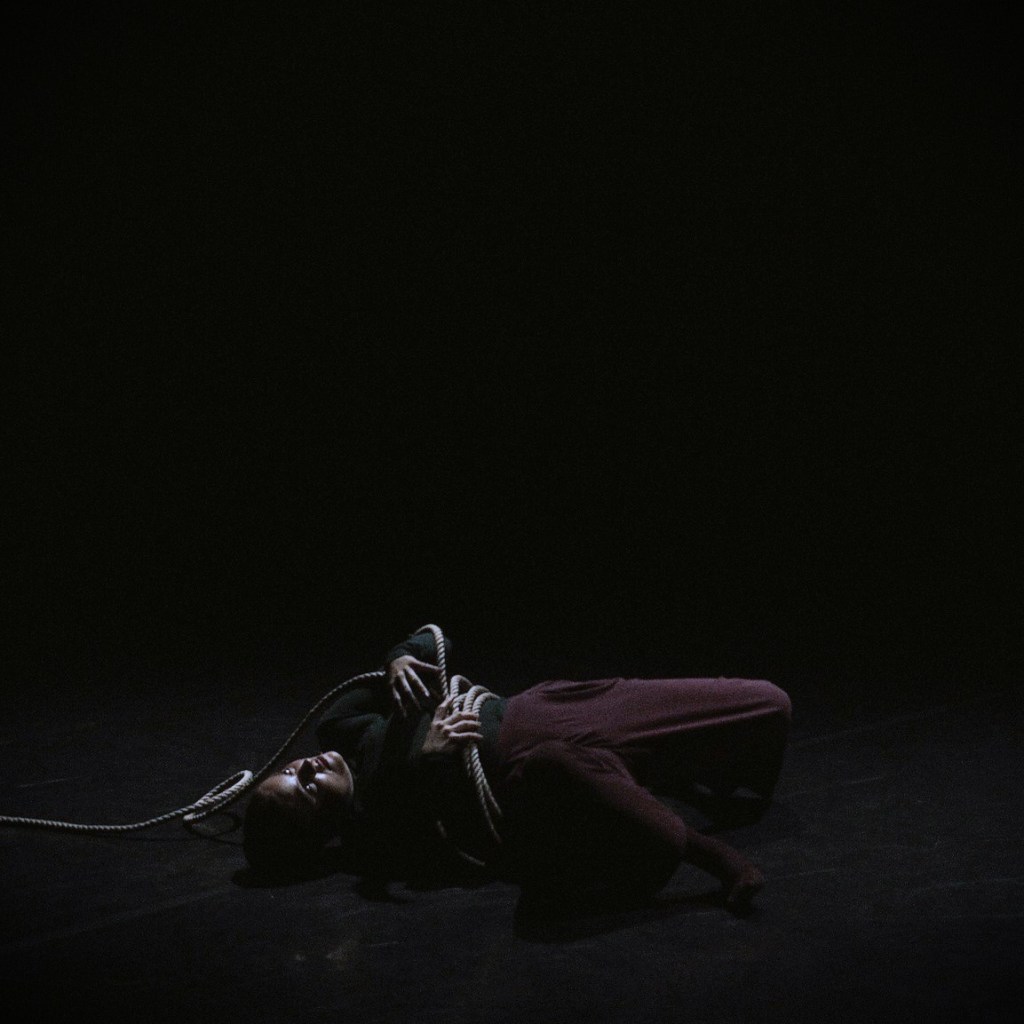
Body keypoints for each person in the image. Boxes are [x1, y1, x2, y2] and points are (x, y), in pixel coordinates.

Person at [243, 626, 792, 915]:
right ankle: (711, 856)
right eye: (306, 788)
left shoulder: (343, 729)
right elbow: (452, 857)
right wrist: (430, 760)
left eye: (292, 769)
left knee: (770, 705)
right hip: (537, 779)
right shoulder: (373, 843)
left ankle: (659, 778)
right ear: (323, 831)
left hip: (543, 712)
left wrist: (398, 660)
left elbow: (434, 640)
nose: (308, 767)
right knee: (557, 764)